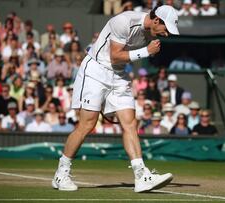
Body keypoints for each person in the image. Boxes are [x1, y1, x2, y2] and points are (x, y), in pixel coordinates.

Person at [52, 5, 179, 192]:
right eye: (166, 29)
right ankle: (61, 174)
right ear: (156, 20)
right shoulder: (124, 21)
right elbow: (115, 56)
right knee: (87, 124)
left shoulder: (152, 32)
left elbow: (121, 61)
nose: (166, 34)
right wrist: (146, 52)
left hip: (119, 76)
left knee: (130, 123)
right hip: (96, 71)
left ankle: (141, 176)